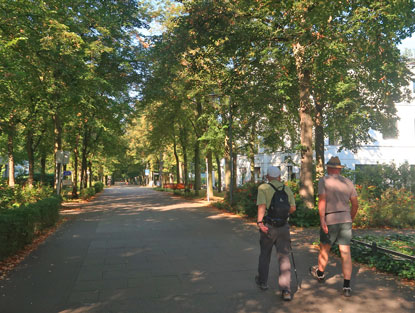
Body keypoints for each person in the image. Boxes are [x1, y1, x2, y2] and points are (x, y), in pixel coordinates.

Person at [310, 156, 359, 297]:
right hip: (345, 219)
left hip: (330, 218)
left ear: (329, 168)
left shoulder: (324, 181)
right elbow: (355, 204)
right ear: (339, 169)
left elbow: (322, 202)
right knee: (345, 253)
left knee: (325, 248)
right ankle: (347, 286)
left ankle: (320, 274)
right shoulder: (348, 182)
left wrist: (322, 220)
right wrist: (351, 218)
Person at [255, 166, 296, 301]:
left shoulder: (263, 188)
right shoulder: (286, 189)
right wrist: (283, 215)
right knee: (284, 257)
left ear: (268, 176)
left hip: (269, 227)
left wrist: (260, 223)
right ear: (279, 177)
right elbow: (293, 208)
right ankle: (286, 291)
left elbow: (261, 206)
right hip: (283, 227)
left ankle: (263, 282)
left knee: (265, 254)